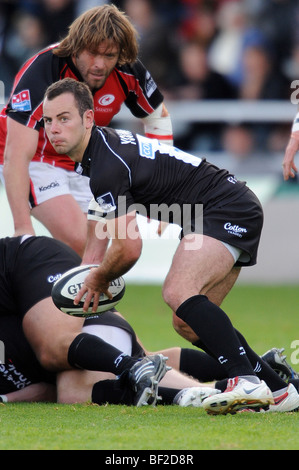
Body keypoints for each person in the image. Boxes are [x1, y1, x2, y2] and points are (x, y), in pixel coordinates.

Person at [42, 77, 297, 415]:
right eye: (47, 121)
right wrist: (88, 278)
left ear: (88, 119)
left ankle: (244, 380)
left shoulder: (106, 163)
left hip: (224, 207)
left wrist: (99, 279)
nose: (53, 129)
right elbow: (99, 226)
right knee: (188, 321)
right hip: (219, 208)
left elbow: (129, 248)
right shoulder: (100, 153)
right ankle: (279, 391)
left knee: (178, 290)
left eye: (64, 118)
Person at [0, 4, 173, 256]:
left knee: (110, 251)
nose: (100, 64)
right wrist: (22, 227)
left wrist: (162, 191)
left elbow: (158, 119)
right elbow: (16, 154)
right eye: (92, 53)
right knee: (81, 241)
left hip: (81, 159)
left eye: (110, 56)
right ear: (76, 46)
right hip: (36, 157)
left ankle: (58, 289)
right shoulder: (44, 69)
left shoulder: (127, 68)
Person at [1, 307, 298, 412]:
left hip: (88, 329)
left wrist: (6, 400)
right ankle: (261, 368)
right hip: (100, 322)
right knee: (156, 359)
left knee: (73, 391)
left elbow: (45, 390)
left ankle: (198, 393)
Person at [0, 234, 170, 407]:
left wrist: (22, 222)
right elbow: (44, 391)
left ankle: (132, 366)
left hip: (28, 259)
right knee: (72, 393)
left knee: (54, 347)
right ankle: (187, 391)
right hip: (89, 332)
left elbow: (78, 232)